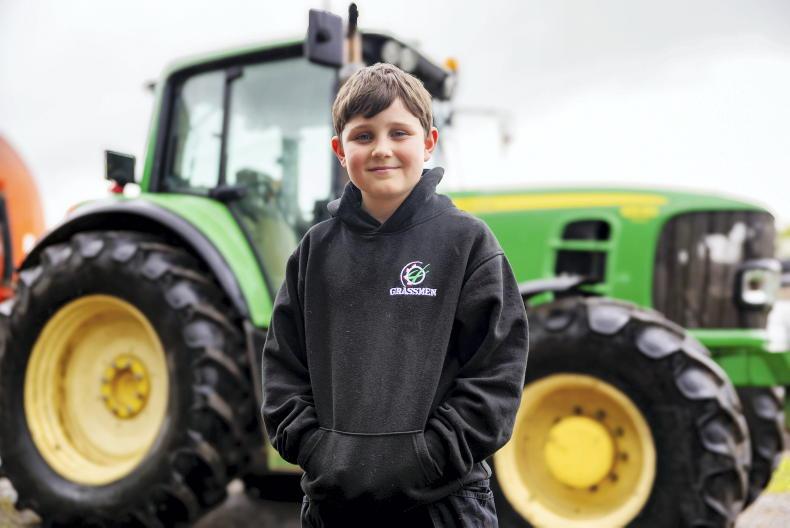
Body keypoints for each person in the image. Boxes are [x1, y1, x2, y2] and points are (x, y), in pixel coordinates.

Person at [261, 62, 528, 527]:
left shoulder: (467, 243)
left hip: (443, 505)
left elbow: (496, 373)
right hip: (335, 507)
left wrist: (428, 457)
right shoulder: (314, 252)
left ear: (428, 142)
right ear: (339, 151)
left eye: (398, 133)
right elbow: (284, 370)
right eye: (363, 136)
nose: (381, 149)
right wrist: (320, 453)